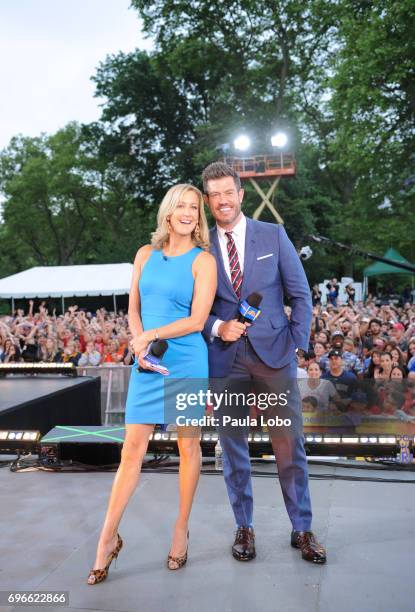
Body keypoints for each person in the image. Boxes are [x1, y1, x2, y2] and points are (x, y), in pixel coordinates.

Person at [87, 183, 216, 585]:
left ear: (199, 216)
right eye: (180, 205)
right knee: (131, 451)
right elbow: (133, 308)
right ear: (167, 211)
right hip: (147, 360)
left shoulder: (204, 261)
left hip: (186, 361)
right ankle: (107, 539)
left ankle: (181, 528)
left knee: (188, 444)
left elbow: (197, 321)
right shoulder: (145, 254)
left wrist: (151, 335)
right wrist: (140, 342)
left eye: (194, 207)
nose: (187, 212)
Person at [201, 162, 326, 564]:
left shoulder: (272, 234)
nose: (222, 200)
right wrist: (218, 327)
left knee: (289, 447)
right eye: (214, 194)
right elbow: (190, 310)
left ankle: (302, 529)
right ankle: (244, 526)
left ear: (241, 194)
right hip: (226, 360)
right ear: (208, 200)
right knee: (233, 447)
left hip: (275, 358)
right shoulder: (200, 249)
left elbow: (300, 294)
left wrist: (296, 344)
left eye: (228, 192)